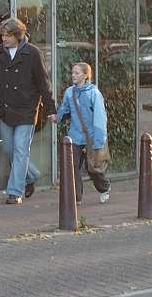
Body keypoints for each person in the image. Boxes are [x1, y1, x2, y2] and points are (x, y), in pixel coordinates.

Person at [0, 17, 56, 205]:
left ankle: (15, 191)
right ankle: (31, 175)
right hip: (5, 110)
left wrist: (50, 109)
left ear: (18, 36)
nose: (4, 39)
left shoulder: (32, 53)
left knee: (20, 150)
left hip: (26, 110)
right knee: (10, 149)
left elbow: (43, 83)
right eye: (2, 36)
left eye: (8, 35)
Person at [56, 62, 111, 204]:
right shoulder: (70, 92)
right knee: (72, 167)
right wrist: (57, 117)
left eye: (77, 73)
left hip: (91, 137)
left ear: (86, 75)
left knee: (92, 168)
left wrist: (98, 141)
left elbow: (100, 118)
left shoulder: (94, 93)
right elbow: (65, 109)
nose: (73, 75)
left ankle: (104, 187)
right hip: (74, 136)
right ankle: (76, 197)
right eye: (72, 73)